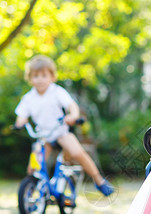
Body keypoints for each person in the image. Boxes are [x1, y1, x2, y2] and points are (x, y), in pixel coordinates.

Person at [14, 55, 114, 196]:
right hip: (43, 136)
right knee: (33, 166)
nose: (40, 79)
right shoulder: (28, 98)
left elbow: (71, 105)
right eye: (36, 76)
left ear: (52, 77)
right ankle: (28, 197)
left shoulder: (56, 91)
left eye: (44, 75)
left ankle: (99, 181)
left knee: (77, 153)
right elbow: (21, 114)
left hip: (60, 132)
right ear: (30, 78)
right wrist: (20, 122)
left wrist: (73, 115)